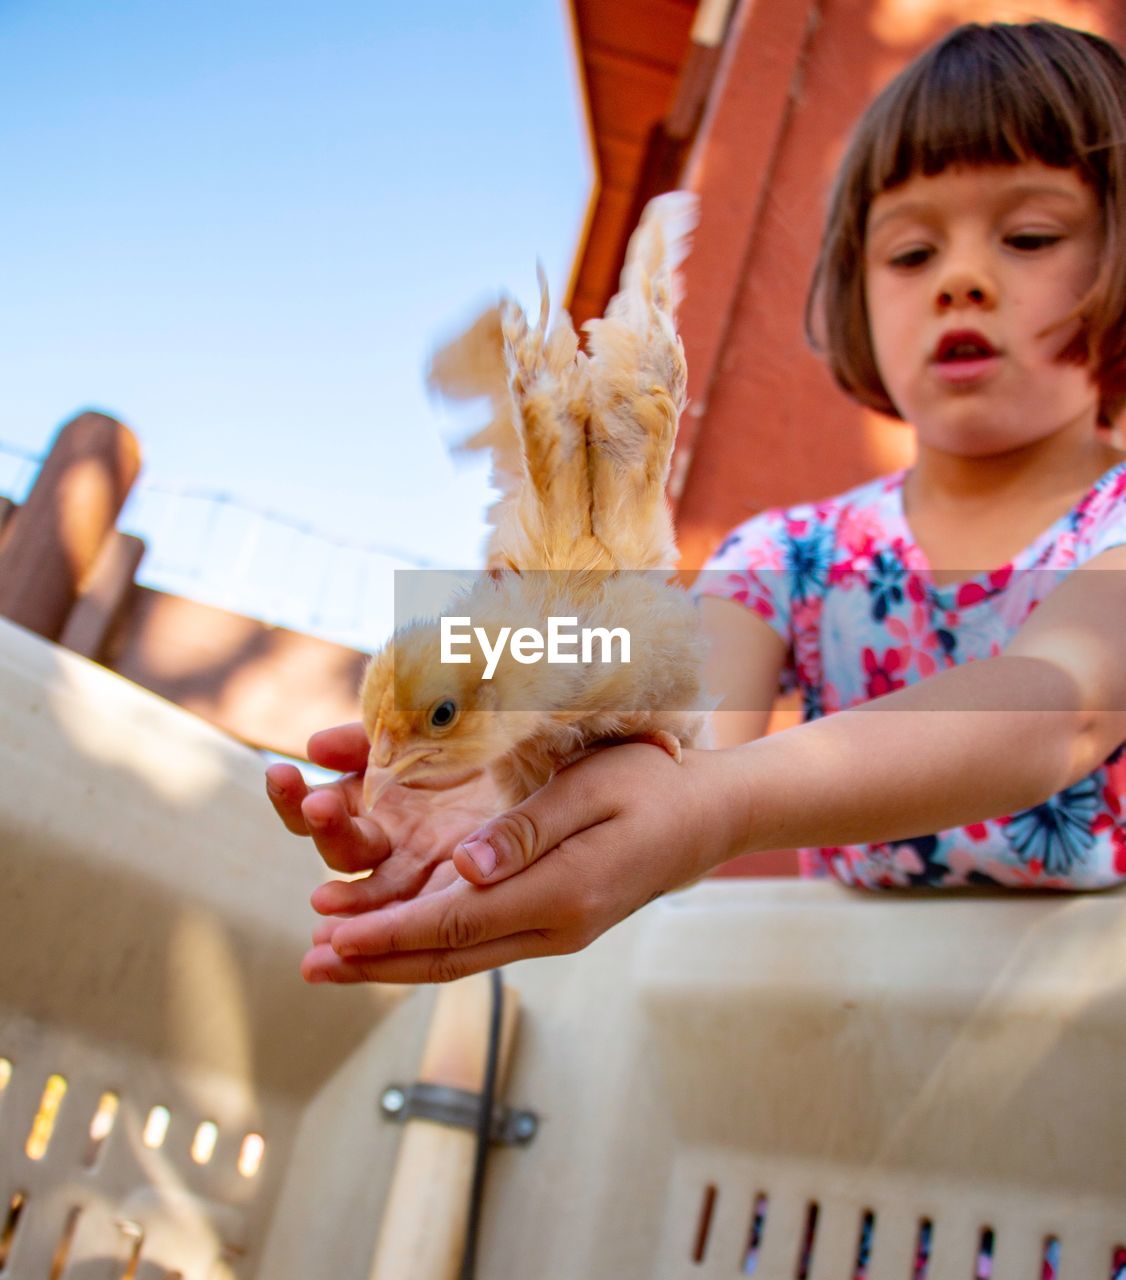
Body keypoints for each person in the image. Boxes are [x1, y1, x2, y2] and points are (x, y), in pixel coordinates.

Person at [266, 19, 1126, 986]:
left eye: (1030, 236)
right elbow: (687, 721)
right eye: (912, 253)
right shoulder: (795, 554)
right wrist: (526, 742)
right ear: (858, 286)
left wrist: (720, 808)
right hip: (848, 1010)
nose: (963, 280)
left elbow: (1063, 706)